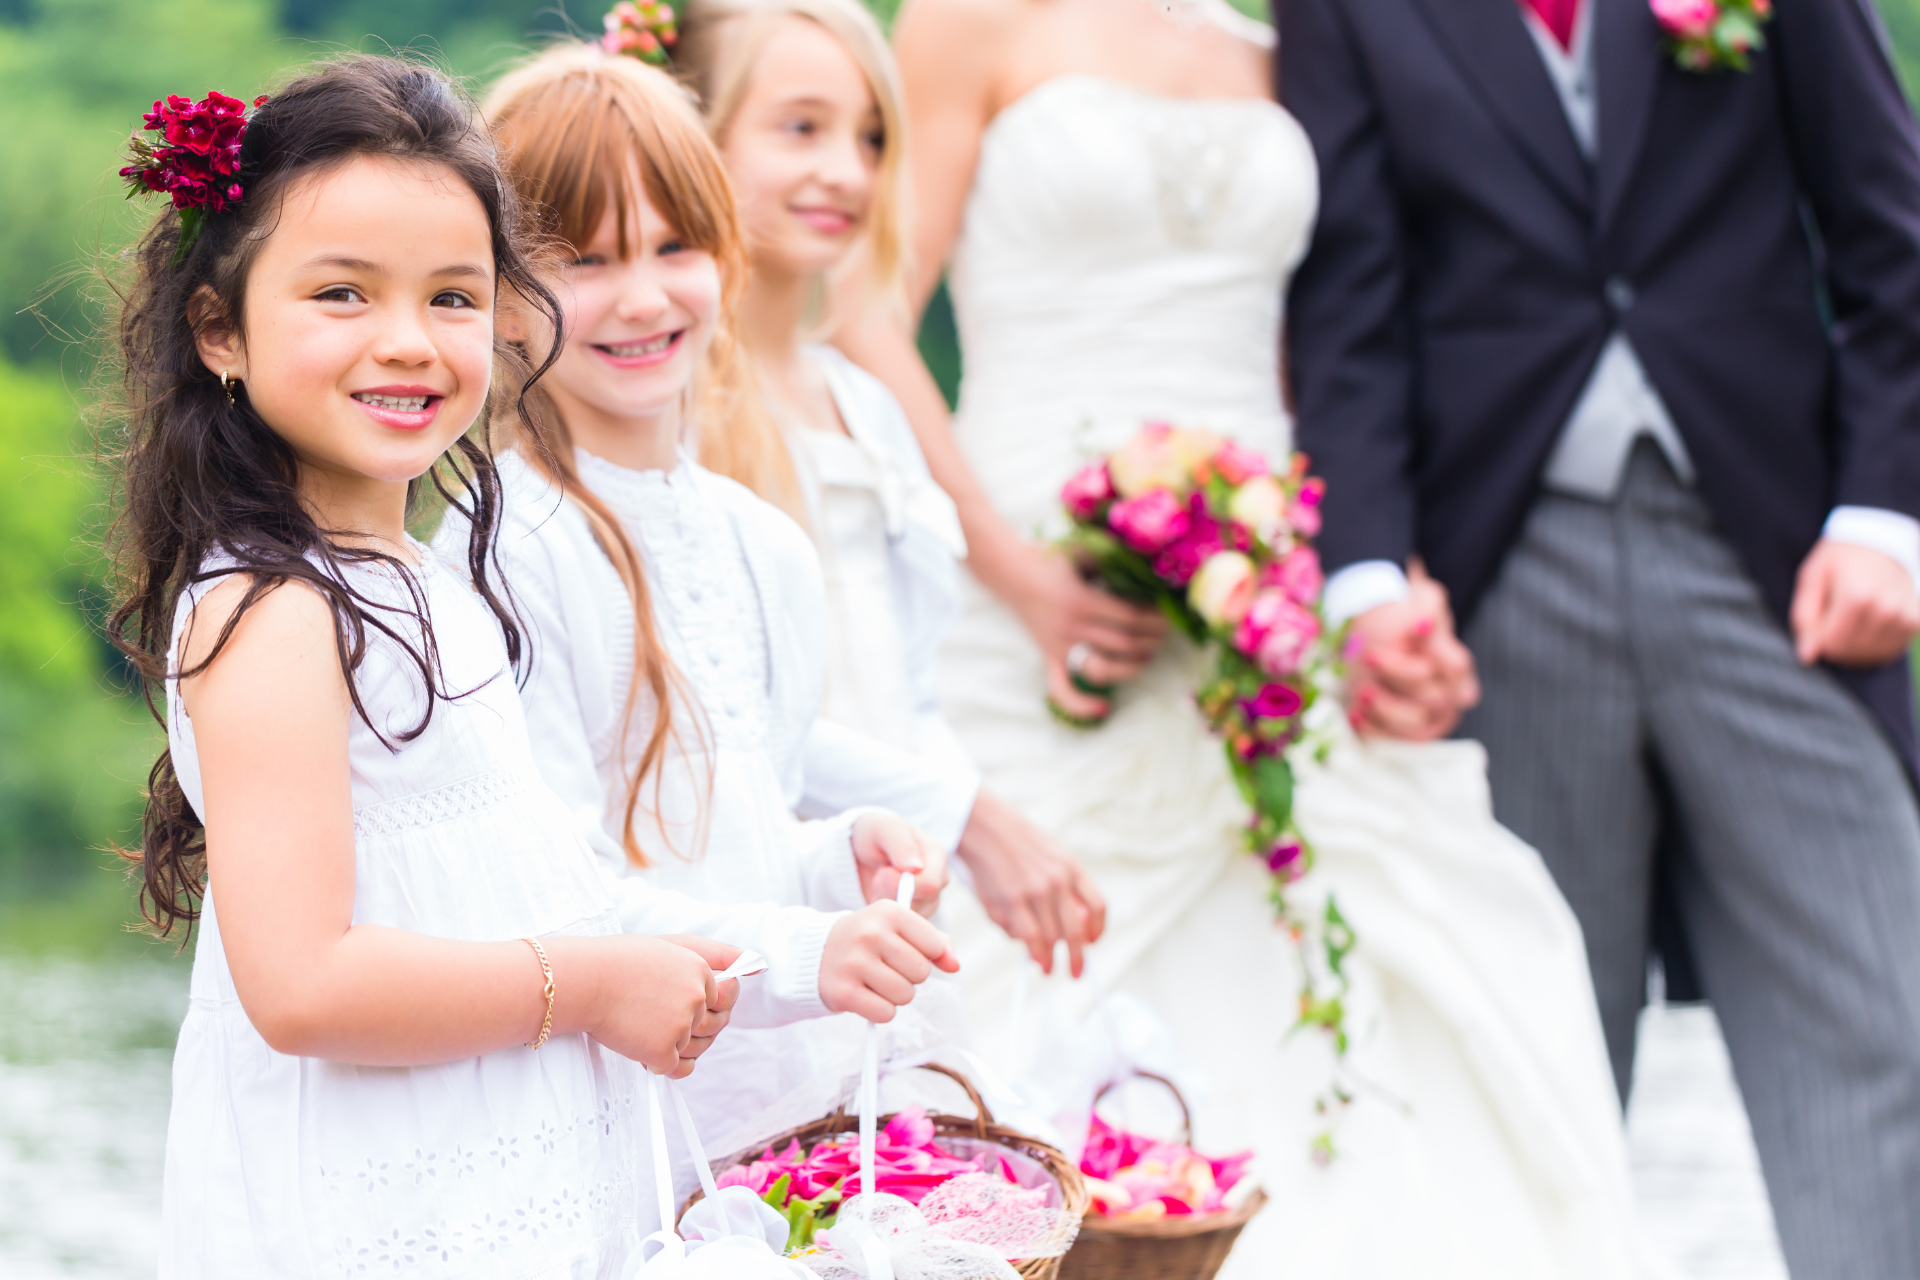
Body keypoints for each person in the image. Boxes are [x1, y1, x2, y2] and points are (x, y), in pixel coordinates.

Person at [834, 0, 1670, 1274]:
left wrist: (1380, 589)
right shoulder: (969, 20)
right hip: (1030, 567)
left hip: (1270, 576)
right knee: (1007, 966)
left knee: (1401, 943)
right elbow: (867, 312)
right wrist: (1016, 575)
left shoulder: (1294, 40)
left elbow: (1335, 351)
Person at [1278, 0, 1920, 1274]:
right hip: (1501, 578)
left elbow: (1891, 232)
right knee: (1539, 1056)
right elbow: (1348, 302)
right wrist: (1362, 580)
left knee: (1886, 1017)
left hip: (1778, 562)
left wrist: (1885, 517)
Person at [108, 57, 742, 1275]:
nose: (407, 341)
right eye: (342, 294)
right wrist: (595, 984)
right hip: (376, 1209)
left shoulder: (430, 581)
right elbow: (302, 984)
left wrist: (688, 959)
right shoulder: (271, 606)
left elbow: (498, 888)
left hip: (499, 1177)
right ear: (220, 329)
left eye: (452, 298)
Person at [450, 44, 960, 1182]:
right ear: (497, 294)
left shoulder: (764, 542)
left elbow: (746, 824)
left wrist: (838, 861)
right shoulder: (507, 547)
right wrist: (808, 951)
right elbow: (557, 893)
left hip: (780, 1112)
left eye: (674, 247)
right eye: (584, 259)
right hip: (621, 1113)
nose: (641, 297)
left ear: (728, 255)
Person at [671, 0, 1107, 976]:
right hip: (775, 887)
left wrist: (961, 822)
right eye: (801, 127)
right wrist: (962, 813)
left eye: (871, 137)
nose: (847, 170)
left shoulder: (866, 403)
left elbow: (914, 677)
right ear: (695, 134)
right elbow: (731, 706)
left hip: (907, 864)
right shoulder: (677, 405)